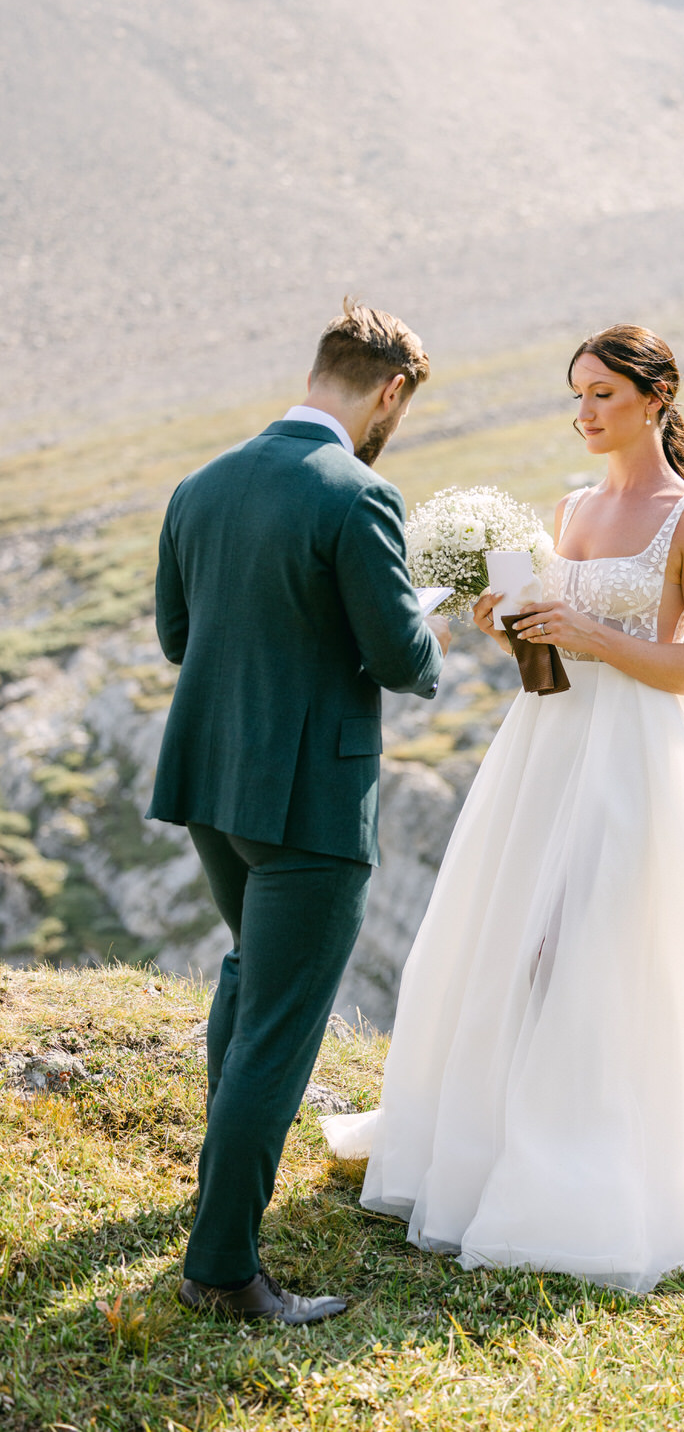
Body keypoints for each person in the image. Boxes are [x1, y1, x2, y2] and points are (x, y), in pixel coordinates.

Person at [323, 322, 684, 1292]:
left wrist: (590, 632)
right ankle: (509, 1138)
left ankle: (620, 1153)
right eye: (574, 396)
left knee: (612, 943)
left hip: (643, 760)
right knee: (524, 941)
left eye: (601, 396)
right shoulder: (572, 509)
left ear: (656, 397)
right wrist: (513, 630)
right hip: (549, 748)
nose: (583, 413)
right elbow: (555, 660)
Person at [147, 300, 450, 1323]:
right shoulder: (357, 497)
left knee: (248, 975)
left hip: (212, 784)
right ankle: (224, 1267)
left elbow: (178, 636)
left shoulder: (202, 484)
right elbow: (403, 660)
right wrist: (430, 614)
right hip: (312, 800)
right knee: (282, 1025)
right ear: (390, 391)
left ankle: (214, 1205)